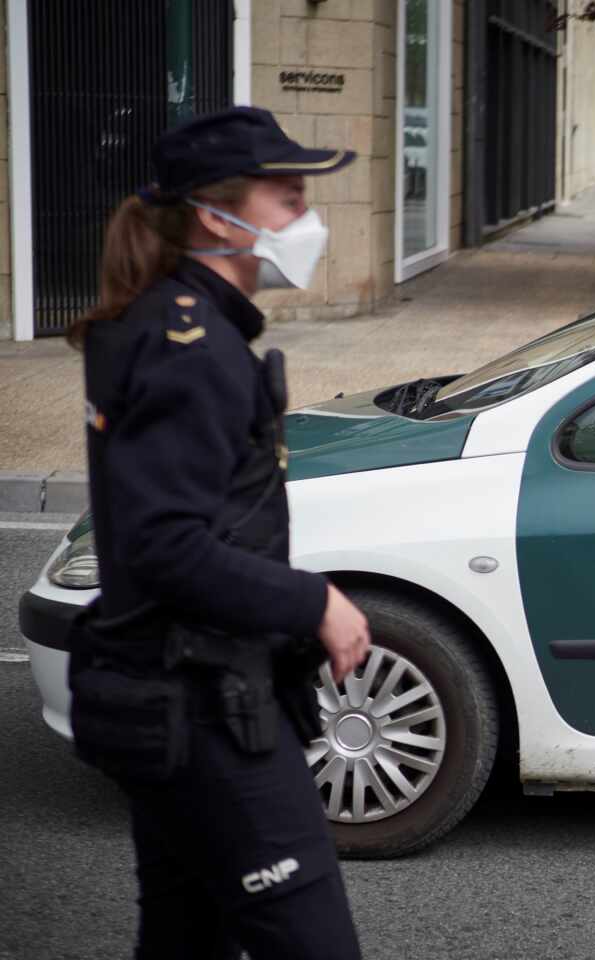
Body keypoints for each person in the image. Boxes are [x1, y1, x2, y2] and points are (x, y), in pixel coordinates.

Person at [66, 107, 370, 959]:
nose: (308, 220)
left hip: (175, 689)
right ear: (216, 214)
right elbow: (164, 543)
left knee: (186, 936)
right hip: (197, 704)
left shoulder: (176, 323)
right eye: (289, 198)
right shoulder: (190, 346)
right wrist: (316, 603)